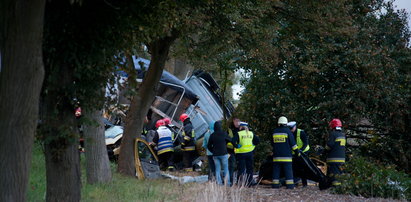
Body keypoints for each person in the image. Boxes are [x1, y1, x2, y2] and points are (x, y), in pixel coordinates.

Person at [271, 116, 299, 189]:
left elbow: (272, 143)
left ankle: (275, 185)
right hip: (286, 156)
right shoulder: (288, 132)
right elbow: (293, 144)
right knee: (288, 172)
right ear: (286, 123)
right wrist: (297, 152)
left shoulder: (275, 131)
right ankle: (290, 186)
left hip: (276, 156)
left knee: (276, 171)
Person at [232, 122, 260, 186]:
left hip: (241, 153)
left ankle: (240, 183)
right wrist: (253, 144)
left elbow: (232, 141)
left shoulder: (238, 134)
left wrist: (236, 146)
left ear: (241, 127)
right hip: (250, 153)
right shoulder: (251, 133)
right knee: (249, 168)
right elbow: (258, 140)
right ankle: (250, 182)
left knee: (241, 169)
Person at [207, 121, 232, 186]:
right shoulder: (224, 133)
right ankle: (227, 183)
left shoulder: (212, 135)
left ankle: (219, 183)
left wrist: (213, 151)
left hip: (215, 155)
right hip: (224, 154)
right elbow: (231, 140)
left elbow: (208, 146)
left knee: (217, 169)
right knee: (226, 168)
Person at [287, 121, 310, 186]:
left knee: (303, 168)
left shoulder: (301, 132)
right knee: (295, 167)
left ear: (295, 127)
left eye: (291, 128)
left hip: (304, 152)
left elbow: (305, 143)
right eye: (290, 129)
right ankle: (295, 181)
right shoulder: (289, 133)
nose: (291, 130)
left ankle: (304, 183)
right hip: (295, 153)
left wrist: (301, 151)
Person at [326, 118, 346, 187]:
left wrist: (324, 150)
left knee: (334, 175)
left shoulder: (333, 134)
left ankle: (336, 188)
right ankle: (341, 186)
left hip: (333, 159)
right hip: (342, 159)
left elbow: (329, 146)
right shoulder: (342, 135)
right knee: (340, 174)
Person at [227, 117, 240, 184]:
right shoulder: (229, 130)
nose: (237, 123)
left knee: (239, 166)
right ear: (233, 121)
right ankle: (231, 181)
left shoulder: (241, 129)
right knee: (231, 166)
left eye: (238, 121)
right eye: (236, 121)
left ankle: (238, 181)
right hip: (230, 151)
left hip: (240, 151)